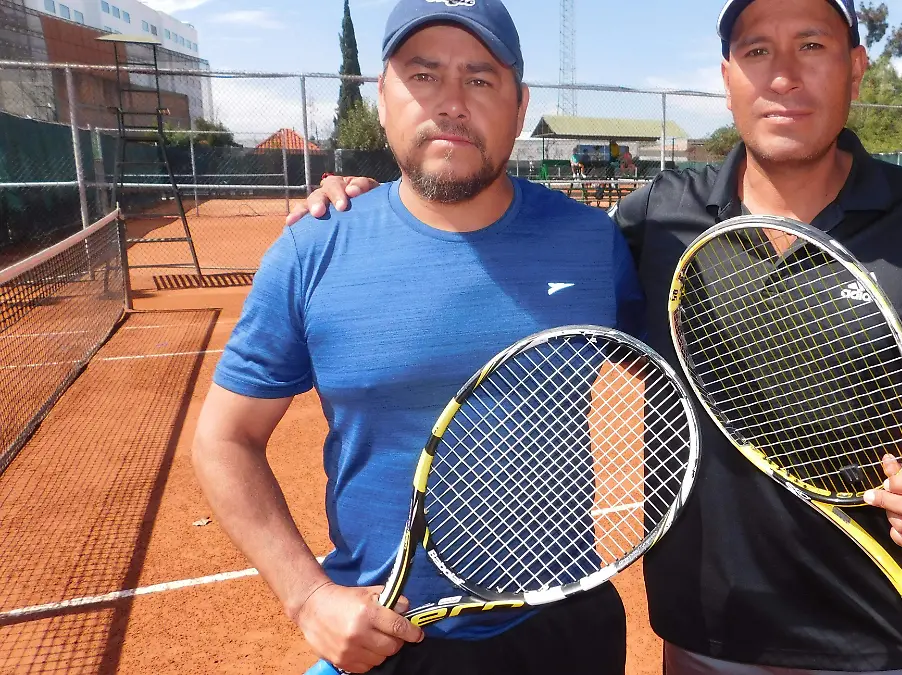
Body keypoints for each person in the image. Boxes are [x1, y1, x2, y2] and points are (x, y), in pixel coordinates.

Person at [290, 0, 902, 673]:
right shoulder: (658, 217)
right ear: (728, 77)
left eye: (812, 44)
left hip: (865, 634)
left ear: (855, 66)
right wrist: (374, 199)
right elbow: (509, 251)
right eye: (758, 50)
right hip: (704, 636)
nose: (785, 74)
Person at [192, 1, 641, 674]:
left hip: (565, 628)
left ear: (520, 106)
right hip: (391, 636)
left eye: (480, 79)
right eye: (423, 75)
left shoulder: (594, 243)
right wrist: (309, 595)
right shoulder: (313, 249)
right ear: (383, 97)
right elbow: (224, 438)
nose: (451, 103)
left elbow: (688, 382)